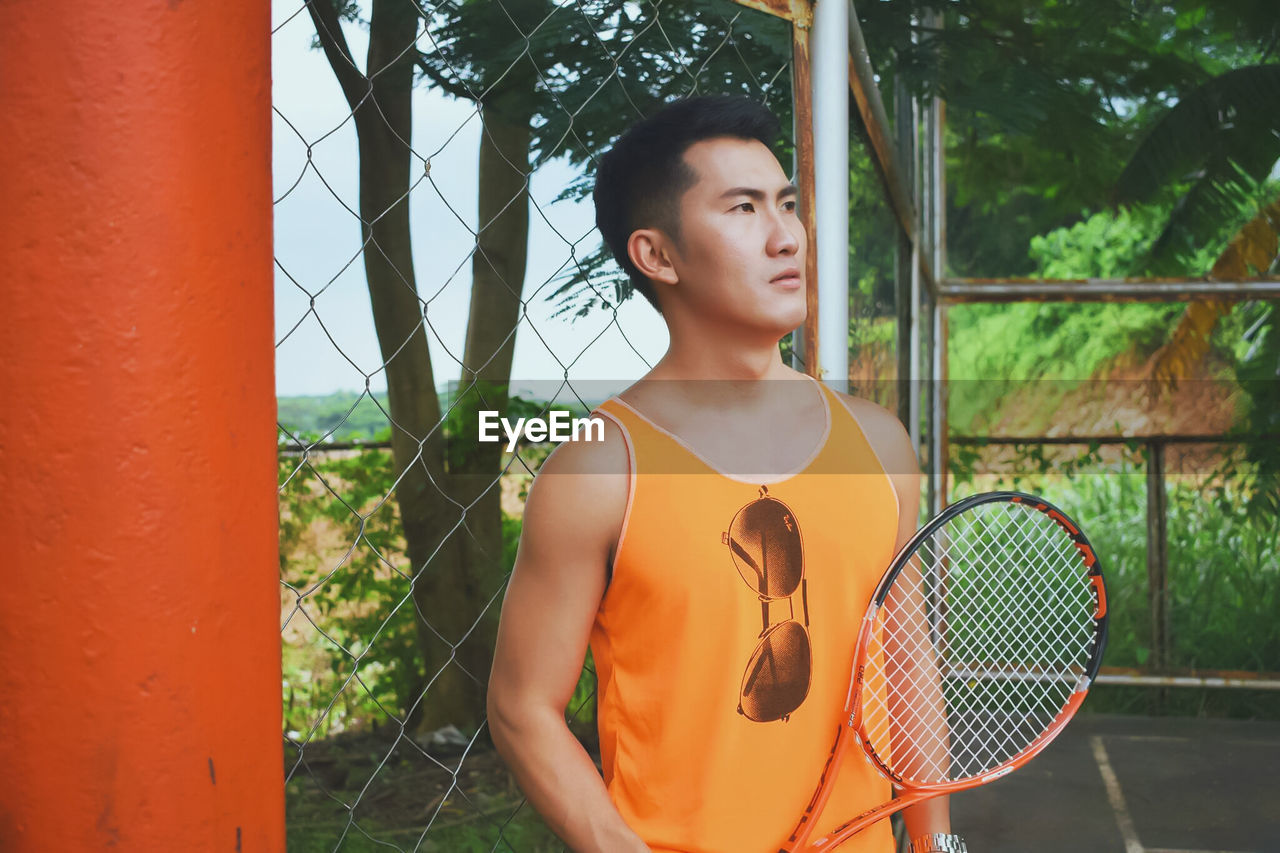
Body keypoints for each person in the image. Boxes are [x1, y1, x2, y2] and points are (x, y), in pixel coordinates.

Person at [487, 95, 958, 853]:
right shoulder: (602, 468)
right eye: (743, 209)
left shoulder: (878, 445)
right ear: (658, 255)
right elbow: (520, 707)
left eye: (788, 204)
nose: (787, 237)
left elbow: (905, 666)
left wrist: (941, 846)